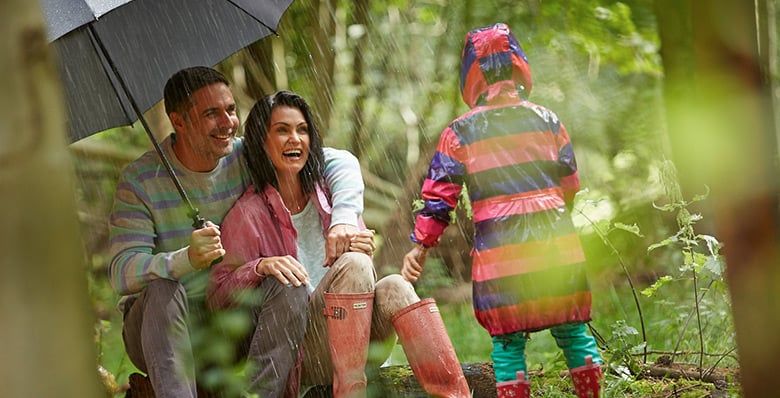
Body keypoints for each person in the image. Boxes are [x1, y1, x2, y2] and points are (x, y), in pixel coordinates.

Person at [108, 66, 368, 398]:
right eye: (211, 114)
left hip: (230, 319)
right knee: (164, 290)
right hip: (161, 327)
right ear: (179, 121)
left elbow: (334, 161)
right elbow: (121, 273)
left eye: (230, 109)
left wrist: (344, 216)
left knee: (288, 282)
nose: (228, 122)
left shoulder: (242, 154)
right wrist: (184, 259)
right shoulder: (140, 180)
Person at [207, 90, 472, 398]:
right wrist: (260, 267)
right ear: (261, 143)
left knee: (396, 286)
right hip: (304, 350)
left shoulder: (332, 198)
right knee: (355, 264)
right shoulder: (247, 214)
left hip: (355, 341)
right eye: (282, 130)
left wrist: (362, 249)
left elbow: (360, 277)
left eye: (302, 130)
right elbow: (218, 297)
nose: (295, 139)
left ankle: (455, 395)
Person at [401, 23, 603, 398]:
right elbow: (570, 184)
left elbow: (439, 196)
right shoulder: (547, 120)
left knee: (508, 345)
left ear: (471, 73)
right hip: (555, 245)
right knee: (574, 332)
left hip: (500, 253)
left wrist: (421, 246)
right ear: (517, 65)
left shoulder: (461, 132)